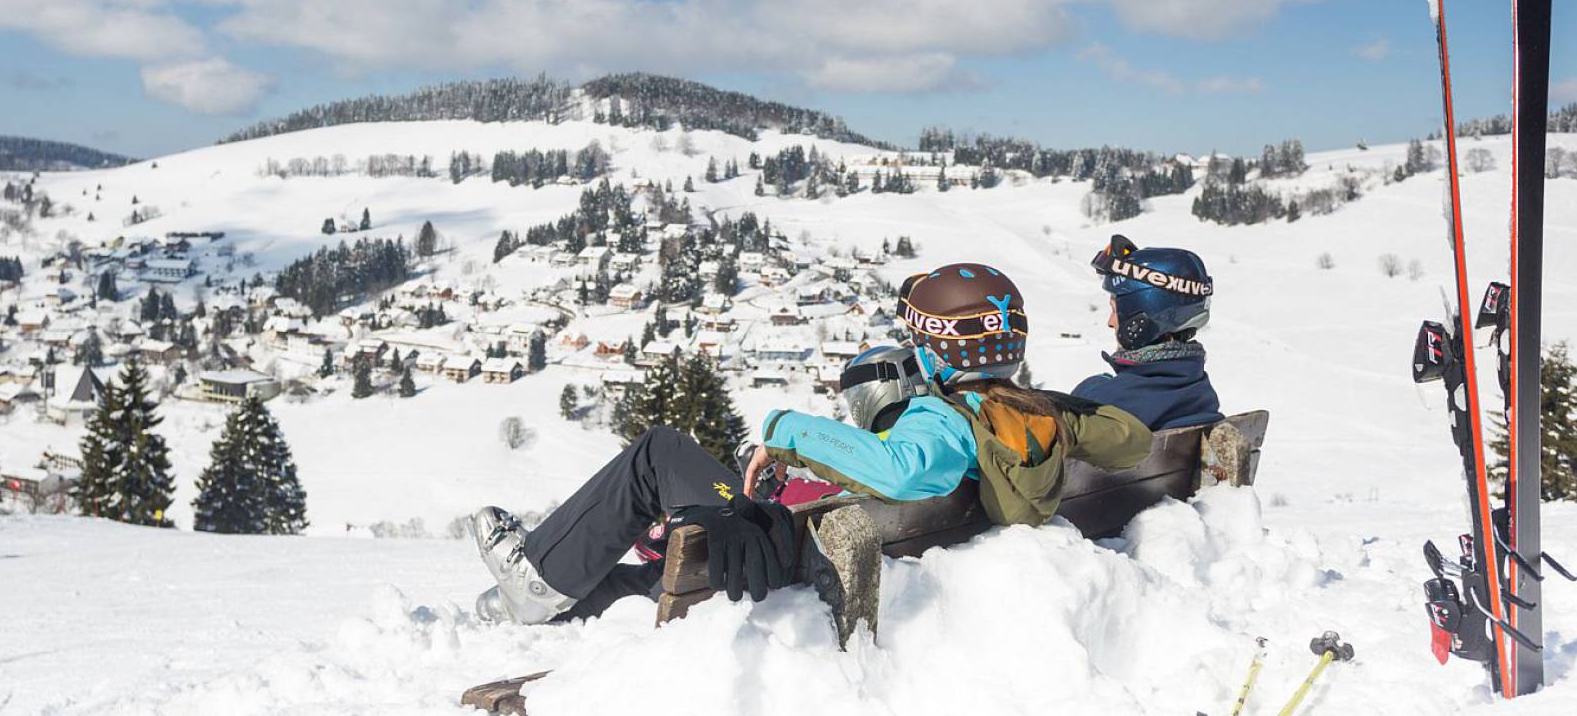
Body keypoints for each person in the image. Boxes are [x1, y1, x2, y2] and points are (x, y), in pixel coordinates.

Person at [467, 263, 1152, 624]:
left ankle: (539, 579)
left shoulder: (944, 421)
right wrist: (1061, 410)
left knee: (660, 453)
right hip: (825, 546)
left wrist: (786, 434)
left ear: (941, 350)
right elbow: (1131, 442)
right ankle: (554, 604)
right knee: (684, 545)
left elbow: (901, 470)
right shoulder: (1035, 418)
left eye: (921, 341)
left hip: (801, 561)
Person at [1074, 234, 1224, 431]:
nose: (1110, 323)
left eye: (1114, 310)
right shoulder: (1200, 391)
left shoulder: (1103, 403)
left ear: (1141, 315)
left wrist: (1092, 387)